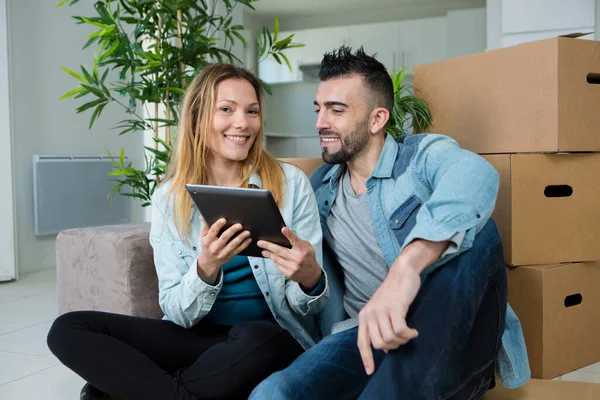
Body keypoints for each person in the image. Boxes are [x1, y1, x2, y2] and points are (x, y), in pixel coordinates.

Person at [249, 47, 531, 399]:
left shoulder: (420, 157)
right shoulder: (319, 187)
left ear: (377, 119)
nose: (321, 122)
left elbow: (477, 174)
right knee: (274, 391)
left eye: (337, 110)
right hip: (361, 338)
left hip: (447, 339)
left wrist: (406, 268)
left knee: (480, 232)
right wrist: (309, 275)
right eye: (319, 108)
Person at [47, 63, 328, 400]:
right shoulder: (170, 198)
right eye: (226, 109)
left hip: (271, 339)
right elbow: (176, 310)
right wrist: (206, 268)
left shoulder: (291, 183)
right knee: (67, 329)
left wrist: (310, 278)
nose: (243, 122)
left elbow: (308, 307)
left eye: (251, 111)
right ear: (197, 117)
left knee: (100, 393)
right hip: (199, 338)